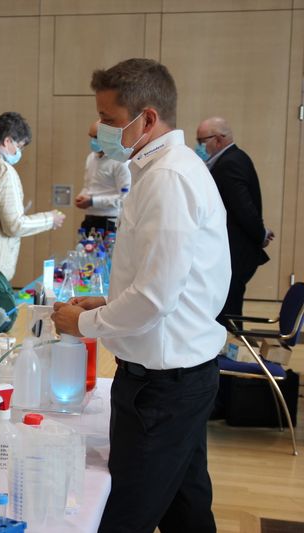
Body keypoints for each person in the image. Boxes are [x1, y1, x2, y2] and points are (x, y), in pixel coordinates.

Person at [51, 58, 229, 533]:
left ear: (147, 119)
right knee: (186, 510)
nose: (102, 131)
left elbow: (154, 298)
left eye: (108, 119)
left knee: (123, 515)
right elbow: (163, 281)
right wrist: (109, 305)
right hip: (178, 372)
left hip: (164, 383)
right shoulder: (163, 170)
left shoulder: (169, 177)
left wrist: (82, 324)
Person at [195, 116, 273, 327]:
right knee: (227, 308)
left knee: (228, 313)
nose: (198, 146)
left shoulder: (229, 163)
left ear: (218, 140)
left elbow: (243, 209)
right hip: (233, 250)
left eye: (201, 141)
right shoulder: (230, 159)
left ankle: (231, 346)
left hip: (235, 252)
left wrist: (260, 235)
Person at [0, 112, 65, 281]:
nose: (19, 152)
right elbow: (14, 225)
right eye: (19, 147)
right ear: (7, 141)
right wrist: (50, 219)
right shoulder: (3, 170)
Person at [74, 120, 131, 232]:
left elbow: (124, 198)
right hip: (90, 217)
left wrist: (93, 201)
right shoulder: (91, 157)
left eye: (96, 137)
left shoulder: (121, 161)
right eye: (91, 137)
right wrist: (82, 196)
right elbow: (88, 186)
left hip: (110, 220)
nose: (93, 141)